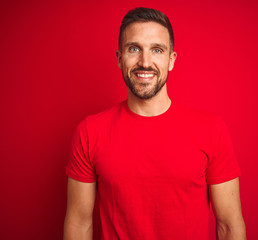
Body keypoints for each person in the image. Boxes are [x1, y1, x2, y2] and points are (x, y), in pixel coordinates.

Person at [64, 7, 246, 240]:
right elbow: (79, 225)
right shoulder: (90, 132)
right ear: (120, 59)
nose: (145, 62)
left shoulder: (211, 129)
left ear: (171, 60)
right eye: (134, 49)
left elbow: (229, 226)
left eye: (157, 50)